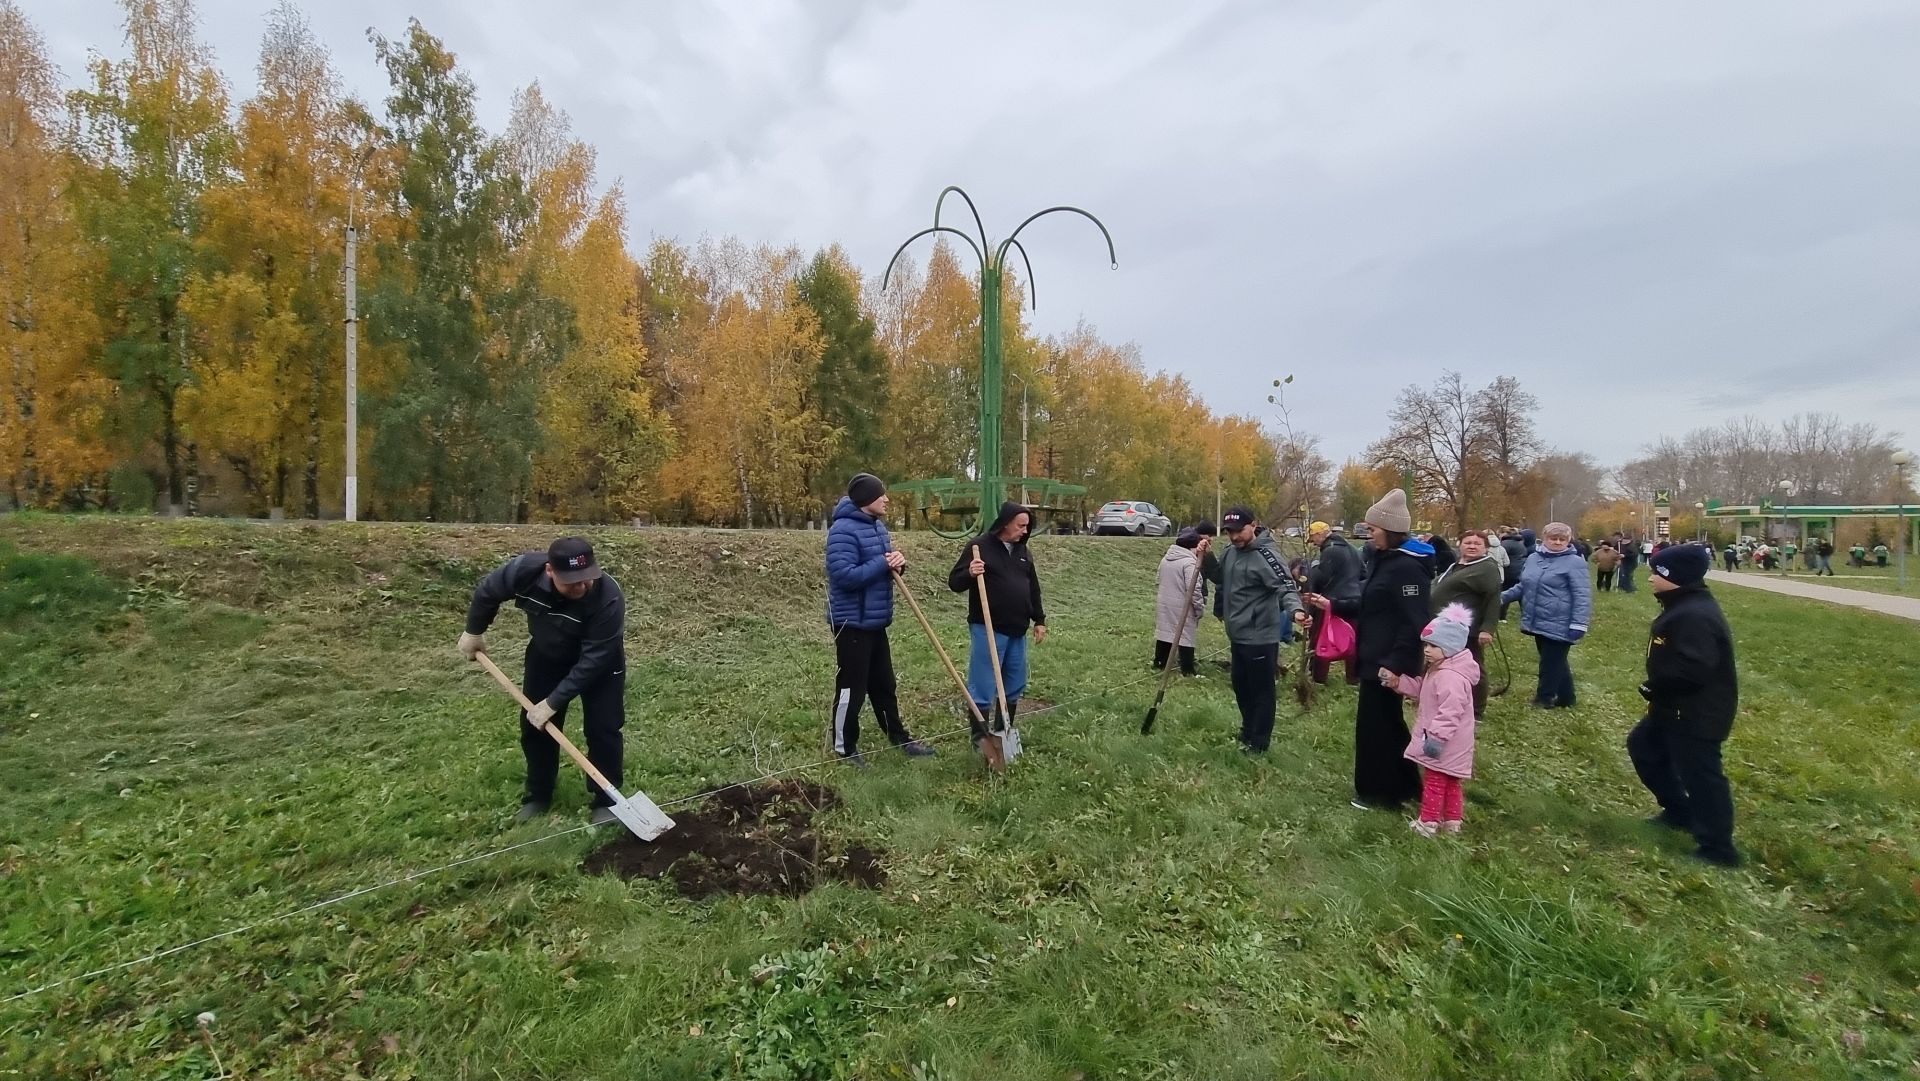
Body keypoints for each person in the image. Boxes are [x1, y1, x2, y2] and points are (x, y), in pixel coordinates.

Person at [460, 537, 628, 824]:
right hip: (547, 655)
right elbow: (488, 592)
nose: (582, 587)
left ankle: (606, 801)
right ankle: (538, 795)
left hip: (599, 663)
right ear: (550, 570)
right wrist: (474, 630)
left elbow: (592, 661)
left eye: (586, 579)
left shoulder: (608, 596)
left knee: (604, 729)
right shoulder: (523, 571)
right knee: (535, 726)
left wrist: (553, 701)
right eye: (572, 582)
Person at [1307, 489, 1426, 809]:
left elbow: (1413, 622)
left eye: (1373, 530)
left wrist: (1395, 663)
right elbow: (1369, 602)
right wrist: (1334, 604)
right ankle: (1407, 785)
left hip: (1386, 663)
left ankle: (1379, 793)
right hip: (1373, 657)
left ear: (1390, 528)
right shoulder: (1383, 561)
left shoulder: (1406, 569)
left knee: (1375, 730)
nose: (1369, 535)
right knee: (1389, 725)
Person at [1629, 544, 1740, 867]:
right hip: (1669, 708)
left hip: (1696, 713)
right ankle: (1679, 811)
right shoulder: (1681, 605)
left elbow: (1695, 669)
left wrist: (1657, 685)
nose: (1650, 579)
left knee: (1702, 777)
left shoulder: (1694, 615)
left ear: (1674, 577)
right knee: (1644, 748)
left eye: (1656, 573)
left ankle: (1718, 848)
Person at [825, 473, 935, 767]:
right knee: (852, 688)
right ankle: (844, 747)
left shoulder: (878, 528)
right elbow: (844, 577)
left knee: (884, 685)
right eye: (880, 494)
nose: (886, 499)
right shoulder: (842, 532)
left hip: (875, 622)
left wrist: (899, 563)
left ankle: (899, 738)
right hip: (852, 624)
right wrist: (882, 563)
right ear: (865, 499)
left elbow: (883, 568)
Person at [949, 502, 1047, 750]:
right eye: (1020, 526)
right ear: (1005, 523)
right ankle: (980, 738)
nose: (1025, 531)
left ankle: (1003, 732)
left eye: (1027, 526)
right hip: (988, 626)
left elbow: (1032, 588)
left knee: (1014, 682)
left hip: (1018, 628)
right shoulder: (979, 547)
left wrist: (1039, 619)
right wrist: (970, 573)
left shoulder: (1024, 552)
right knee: (984, 683)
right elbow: (955, 582)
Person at [1216, 506, 1308, 753]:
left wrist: (1296, 611)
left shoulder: (1267, 557)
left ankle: (1258, 743)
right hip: (1237, 635)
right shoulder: (1230, 553)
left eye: (1239, 531)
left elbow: (1286, 587)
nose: (1234, 537)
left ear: (1253, 525)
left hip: (1259, 636)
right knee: (1241, 686)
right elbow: (1219, 576)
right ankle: (1247, 730)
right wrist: (1204, 560)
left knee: (1261, 691)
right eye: (1229, 532)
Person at [1384, 602, 1480, 836]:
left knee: (1435, 782)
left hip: (1444, 742)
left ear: (1450, 647)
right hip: (1454, 742)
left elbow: (1450, 711)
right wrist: (1399, 683)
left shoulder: (1450, 677)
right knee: (1451, 782)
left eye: (1434, 646)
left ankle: (1428, 822)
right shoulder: (1441, 669)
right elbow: (1424, 690)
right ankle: (1452, 822)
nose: (1427, 650)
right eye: (1426, 644)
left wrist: (1436, 738)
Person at [1500, 522, 1592, 709]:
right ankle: (1567, 698)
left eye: (1562, 539)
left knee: (1549, 664)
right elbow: (1524, 585)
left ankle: (1544, 698)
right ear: (1545, 538)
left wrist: (1579, 623)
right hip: (1539, 618)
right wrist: (1500, 598)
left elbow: (1582, 595)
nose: (1557, 542)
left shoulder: (1575, 562)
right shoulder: (1533, 558)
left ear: (1568, 540)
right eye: (1553, 538)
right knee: (1556, 661)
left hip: (1562, 620)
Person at [1430, 529, 1502, 717]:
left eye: (1477, 544)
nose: (1471, 546)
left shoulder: (1486, 568)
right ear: (1459, 545)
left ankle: (1477, 709)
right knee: (1442, 662)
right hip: (1446, 625)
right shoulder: (1458, 565)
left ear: (1486, 548)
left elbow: (1494, 599)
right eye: (1467, 542)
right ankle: (1441, 698)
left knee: (1473, 665)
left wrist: (1487, 629)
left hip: (1467, 628)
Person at [1305, 521, 1364, 685]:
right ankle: (1354, 679)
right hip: (1354, 600)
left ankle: (1317, 678)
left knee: (1320, 637)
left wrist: (1312, 595)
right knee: (1352, 639)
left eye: (1313, 538)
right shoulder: (1353, 549)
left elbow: (1322, 578)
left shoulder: (1329, 551)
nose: (1313, 542)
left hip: (1331, 600)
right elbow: (1364, 574)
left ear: (1320, 534)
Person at [1153, 528, 1209, 677]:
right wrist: (1199, 608)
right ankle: (1188, 669)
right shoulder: (1190, 562)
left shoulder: (1166, 558)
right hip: (1182, 606)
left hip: (1165, 601)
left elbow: (1158, 579)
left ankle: (1160, 661)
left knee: (1165, 631)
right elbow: (1194, 589)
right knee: (1185, 635)